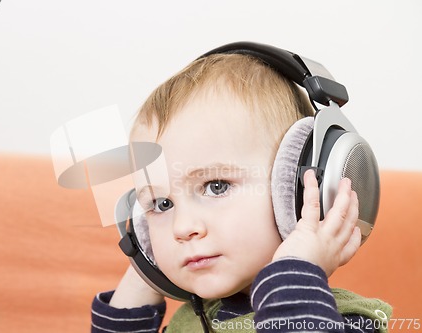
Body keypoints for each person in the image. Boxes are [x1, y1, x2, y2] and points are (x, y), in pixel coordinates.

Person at [90, 46, 391, 332]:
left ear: (292, 194)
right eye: (161, 205)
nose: (183, 228)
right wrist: (146, 271)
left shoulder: (339, 319)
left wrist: (296, 270)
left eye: (216, 186)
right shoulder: (194, 318)